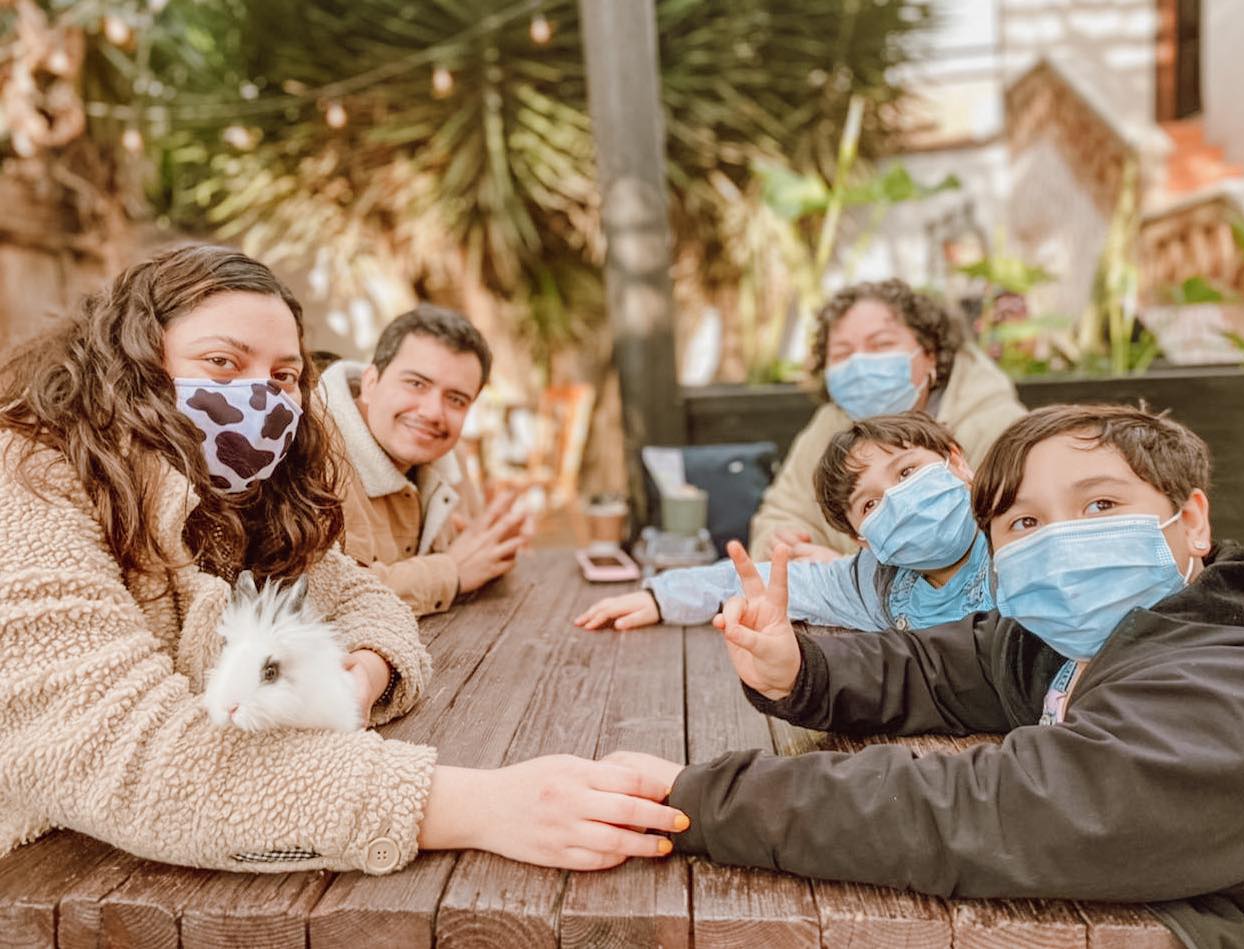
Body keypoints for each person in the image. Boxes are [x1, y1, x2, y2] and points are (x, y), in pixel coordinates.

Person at [0, 245, 686, 876]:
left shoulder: (241, 488)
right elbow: (141, 762)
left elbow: (362, 597)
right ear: (134, 360)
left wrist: (364, 674)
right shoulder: (26, 482)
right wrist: (481, 806)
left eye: (284, 375)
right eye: (222, 363)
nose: (261, 396)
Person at [607, 404, 1244, 947]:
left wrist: (694, 798)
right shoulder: (1081, 640)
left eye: (1099, 504)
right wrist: (800, 671)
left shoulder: (1228, 679)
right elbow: (944, 664)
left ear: (1195, 518)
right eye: (1026, 522)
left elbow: (985, 811)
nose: (1062, 538)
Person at [574, 413, 991, 633]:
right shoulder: (872, 587)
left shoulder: (1018, 542)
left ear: (956, 461)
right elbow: (769, 582)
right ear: (862, 540)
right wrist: (661, 598)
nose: (900, 500)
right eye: (870, 504)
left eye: (906, 472)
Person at [750, 278, 1026, 562]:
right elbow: (782, 510)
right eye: (842, 353)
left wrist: (844, 574)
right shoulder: (829, 424)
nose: (859, 364)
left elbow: (995, 555)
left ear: (930, 353)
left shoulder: (998, 429)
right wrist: (785, 542)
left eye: (880, 344)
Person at [320, 305, 530, 616]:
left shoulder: (445, 454)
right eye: (416, 384)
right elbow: (321, 600)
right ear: (370, 383)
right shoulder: (308, 446)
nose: (433, 413)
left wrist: (489, 549)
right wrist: (450, 572)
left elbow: (475, 550)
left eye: (456, 399)